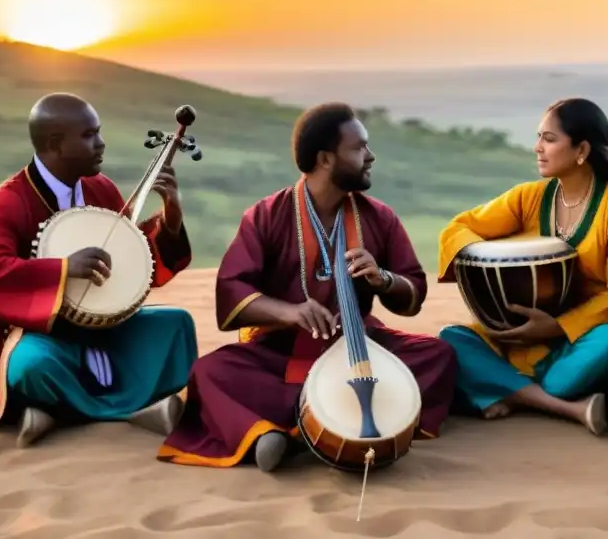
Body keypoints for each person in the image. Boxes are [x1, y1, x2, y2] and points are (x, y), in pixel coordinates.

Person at [0, 93, 198, 447]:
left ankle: (52, 412)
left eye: (99, 132)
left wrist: (171, 221)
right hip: (40, 337)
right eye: (89, 135)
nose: (101, 143)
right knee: (30, 367)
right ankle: (133, 411)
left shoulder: (101, 189)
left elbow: (134, 267)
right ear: (55, 143)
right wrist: (64, 269)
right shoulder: (7, 203)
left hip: (106, 331)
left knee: (176, 327)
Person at [157, 102, 457, 472]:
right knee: (209, 372)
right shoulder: (267, 215)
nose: (370, 156)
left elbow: (413, 293)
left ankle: (295, 428)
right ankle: (323, 421)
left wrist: (384, 278)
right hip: (276, 352)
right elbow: (231, 293)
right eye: (359, 147)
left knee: (438, 355)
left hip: (360, 348)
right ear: (325, 159)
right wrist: (290, 312)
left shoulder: (379, 217)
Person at [436, 98, 608, 435]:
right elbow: (458, 228)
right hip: (522, 339)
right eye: (539, 137)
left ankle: (505, 388)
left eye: (549, 139)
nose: (537, 148)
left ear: (581, 149)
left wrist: (556, 327)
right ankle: (566, 406)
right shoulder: (529, 197)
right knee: (451, 339)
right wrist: (488, 260)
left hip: (590, 335)